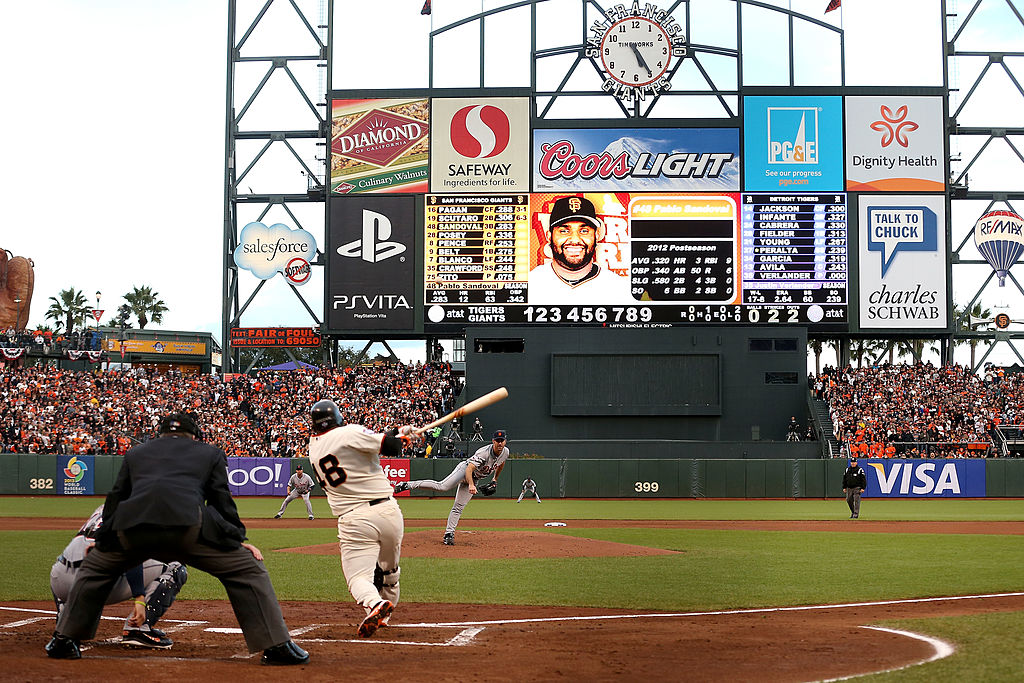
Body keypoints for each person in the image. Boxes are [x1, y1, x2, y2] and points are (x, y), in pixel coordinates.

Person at [44, 411, 308, 666]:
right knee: (248, 570)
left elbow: (116, 498)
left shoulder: (136, 453)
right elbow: (221, 503)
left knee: (94, 569)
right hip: (186, 528)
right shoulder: (210, 453)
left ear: (159, 435)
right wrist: (236, 540)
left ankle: (64, 640)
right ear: (193, 436)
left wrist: (103, 544)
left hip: (133, 530)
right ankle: (276, 646)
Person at [305, 399, 413, 638]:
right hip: (388, 513)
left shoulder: (314, 446)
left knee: (358, 578)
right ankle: (384, 613)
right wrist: (402, 438)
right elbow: (391, 447)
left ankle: (374, 604)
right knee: (389, 572)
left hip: (355, 519)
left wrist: (398, 433)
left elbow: (371, 442)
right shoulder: (349, 432)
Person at [50, 505, 188, 649]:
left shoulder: (104, 507)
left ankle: (66, 625)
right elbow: (131, 555)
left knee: (67, 563)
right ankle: (139, 629)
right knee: (176, 566)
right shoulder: (140, 511)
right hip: (97, 586)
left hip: (59, 581)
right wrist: (139, 599)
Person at [395, 429, 509, 546]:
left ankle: (448, 534)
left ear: (505, 441)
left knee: (459, 507)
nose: (500, 443)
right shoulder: (484, 452)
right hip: (464, 470)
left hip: (474, 478)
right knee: (442, 486)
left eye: (502, 440)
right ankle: (407, 485)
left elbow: (501, 463)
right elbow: (469, 468)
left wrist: (495, 479)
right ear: (493, 441)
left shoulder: (505, 452)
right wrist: (471, 484)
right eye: (497, 441)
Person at [528, 195, 624, 304]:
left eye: (584, 231)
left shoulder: (619, 290)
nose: (575, 239)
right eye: (564, 231)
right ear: (549, 236)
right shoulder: (528, 285)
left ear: (597, 235)